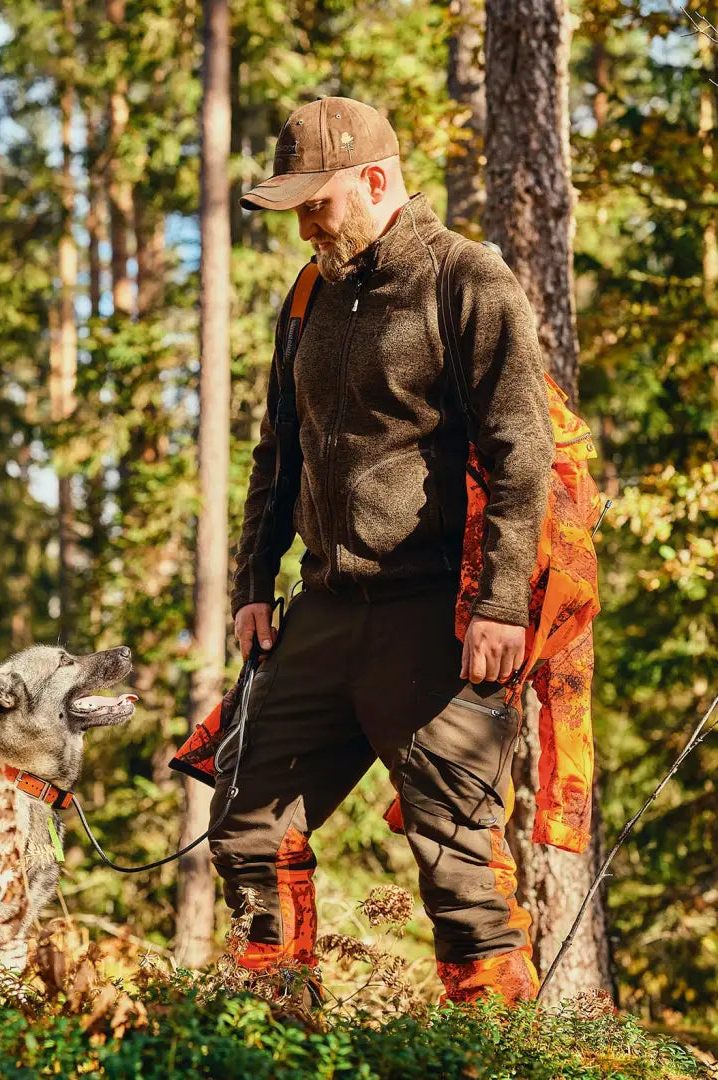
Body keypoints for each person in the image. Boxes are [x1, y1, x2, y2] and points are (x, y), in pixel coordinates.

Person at [213, 96, 555, 1004]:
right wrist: (253, 584)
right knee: (248, 831)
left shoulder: (468, 281)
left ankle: (497, 1055)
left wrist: (503, 604)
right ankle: (275, 1037)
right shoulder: (308, 298)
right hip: (321, 612)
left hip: (435, 621)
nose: (305, 227)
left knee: (460, 873)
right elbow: (278, 450)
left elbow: (524, 453)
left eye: (316, 204)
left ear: (374, 179)